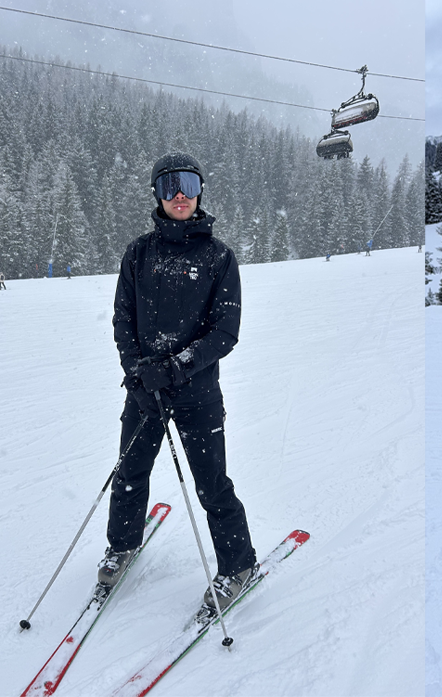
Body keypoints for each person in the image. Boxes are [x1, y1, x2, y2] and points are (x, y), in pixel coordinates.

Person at [100, 151, 257, 613]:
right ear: (157, 194)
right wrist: (137, 371)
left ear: (200, 190)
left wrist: (173, 369)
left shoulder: (219, 257)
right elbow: (123, 319)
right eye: (169, 186)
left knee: (212, 485)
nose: (180, 195)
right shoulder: (138, 253)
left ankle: (239, 565)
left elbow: (224, 332)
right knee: (129, 473)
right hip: (145, 392)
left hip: (197, 395)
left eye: (188, 184)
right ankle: (122, 545)